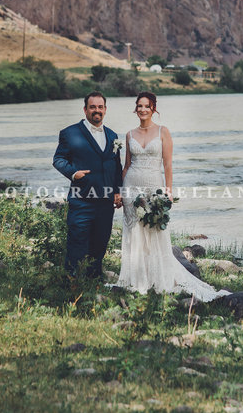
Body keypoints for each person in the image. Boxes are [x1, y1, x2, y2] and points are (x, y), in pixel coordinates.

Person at [117, 91, 229, 301]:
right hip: (131, 187)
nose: (143, 109)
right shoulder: (130, 134)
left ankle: (157, 277)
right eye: (139, 106)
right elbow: (126, 166)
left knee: (154, 230)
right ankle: (136, 277)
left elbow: (168, 165)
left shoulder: (163, 131)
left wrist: (168, 192)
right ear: (135, 109)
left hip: (154, 187)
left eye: (147, 106)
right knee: (134, 232)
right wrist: (120, 192)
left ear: (154, 109)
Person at [53, 91, 123, 280]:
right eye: (92, 107)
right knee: (77, 243)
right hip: (81, 200)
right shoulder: (69, 133)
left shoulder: (112, 135)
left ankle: (94, 282)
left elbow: (117, 167)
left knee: (100, 244)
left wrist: (118, 191)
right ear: (85, 109)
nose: (96, 110)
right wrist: (73, 173)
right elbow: (58, 159)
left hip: (105, 202)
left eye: (100, 107)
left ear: (105, 110)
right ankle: (71, 282)